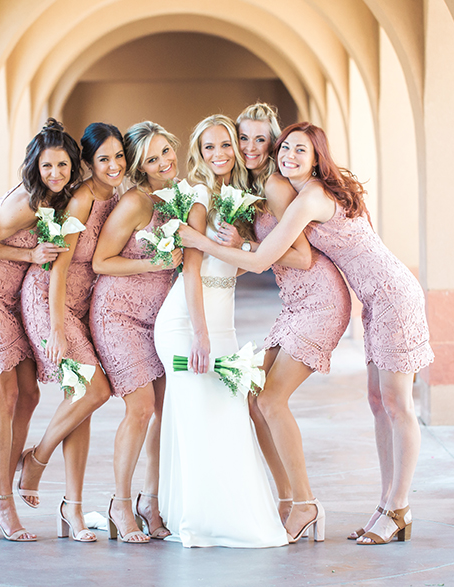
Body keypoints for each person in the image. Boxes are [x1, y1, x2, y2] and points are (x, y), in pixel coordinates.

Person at [179, 121, 434, 545]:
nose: (287, 156)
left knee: (397, 404)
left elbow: (263, 260)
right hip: (372, 300)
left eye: (300, 150)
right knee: (377, 402)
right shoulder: (299, 193)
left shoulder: (310, 195)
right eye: (285, 149)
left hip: (394, 295)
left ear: (317, 158)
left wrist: (200, 242)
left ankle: (396, 507)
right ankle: (383, 506)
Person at [154, 114, 301, 548]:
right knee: (200, 420)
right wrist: (200, 335)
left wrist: (237, 243)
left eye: (224, 146)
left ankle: (218, 513)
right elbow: (191, 271)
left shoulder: (239, 200)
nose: (218, 155)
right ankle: (200, 521)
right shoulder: (198, 196)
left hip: (224, 321)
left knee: (228, 418)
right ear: (198, 156)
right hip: (187, 321)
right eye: (208, 148)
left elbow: (239, 266)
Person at [224, 104, 352, 529]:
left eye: (261, 139)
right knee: (253, 398)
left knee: (271, 399)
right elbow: (259, 256)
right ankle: (288, 497)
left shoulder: (277, 186)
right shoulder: (253, 186)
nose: (250, 147)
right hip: (295, 302)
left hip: (319, 299)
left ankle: (305, 502)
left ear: (274, 142)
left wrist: (237, 253)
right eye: (243, 138)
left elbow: (297, 255)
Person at [0, 119, 69, 542]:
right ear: (34, 167)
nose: (54, 174)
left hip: (8, 299)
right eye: (47, 166)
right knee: (3, 397)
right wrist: (30, 254)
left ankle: (2, 481)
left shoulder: (56, 200)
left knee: (30, 393)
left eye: (62, 166)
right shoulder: (28, 203)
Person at [16, 122, 126, 542]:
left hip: (79, 307)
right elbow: (58, 267)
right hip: (52, 302)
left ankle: (72, 511)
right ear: (89, 163)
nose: (113, 165)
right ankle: (35, 461)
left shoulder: (112, 195)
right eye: (103, 159)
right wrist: (58, 327)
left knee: (79, 401)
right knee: (94, 391)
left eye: (119, 157)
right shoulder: (81, 199)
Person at [90, 121, 183, 543]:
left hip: (157, 320)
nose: (164, 161)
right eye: (152, 158)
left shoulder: (177, 197)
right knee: (141, 408)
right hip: (118, 314)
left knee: (166, 410)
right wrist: (154, 264)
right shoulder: (134, 202)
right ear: (140, 167)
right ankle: (120, 504)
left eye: (166, 151)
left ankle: (152, 499)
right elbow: (101, 262)